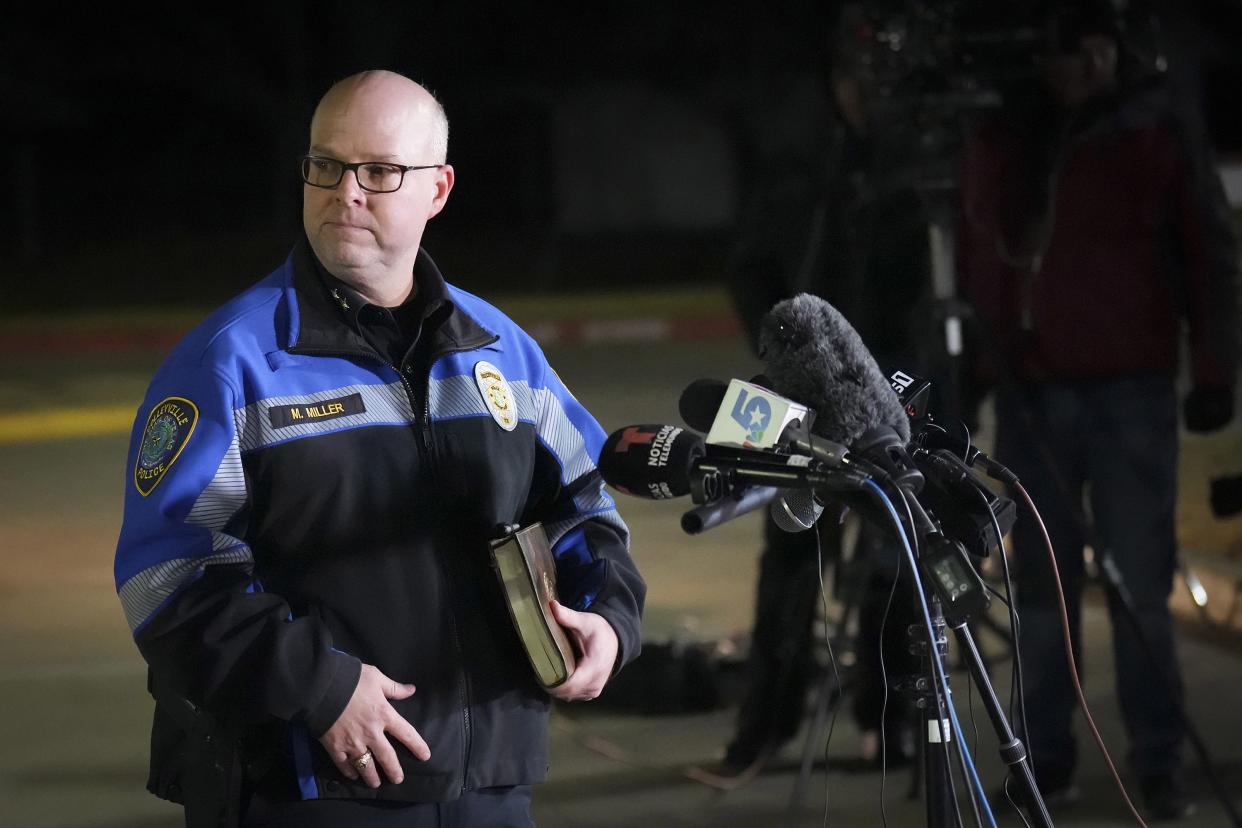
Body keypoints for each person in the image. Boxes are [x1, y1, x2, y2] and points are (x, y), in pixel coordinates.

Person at [113, 70, 645, 827]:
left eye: (379, 171)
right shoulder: (227, 363)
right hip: (303, 786)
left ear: (439, 190)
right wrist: (319, 688)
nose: (345, 192)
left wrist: (609, 621)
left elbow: (585, 507)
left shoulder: (503, 353)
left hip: (489, 784)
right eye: (325, 166)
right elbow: (166, 577)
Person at [958, 3, 1240, 819]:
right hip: (1034, 393)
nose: (1090, 68)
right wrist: (979, 368)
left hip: (1132, 389)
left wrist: (1213, 370)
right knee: (1042, 595)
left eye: (1101, 52)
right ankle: (1043, 761)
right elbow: (984, 252)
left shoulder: (1154, 128)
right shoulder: (1011, 136)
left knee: (1139, 589)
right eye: (1072, 54)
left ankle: (1158, 763)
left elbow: (1209, 251)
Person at [719, 6, 928, 774]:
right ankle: (767, 721)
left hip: (890, 398)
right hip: (793, 399)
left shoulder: (918, 176)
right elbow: (750, 266)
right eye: (853, 78)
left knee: (893, 561)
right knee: (789, 559)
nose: (864, 94)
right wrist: (784, 350)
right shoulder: (802, 168)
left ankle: (893, 718)